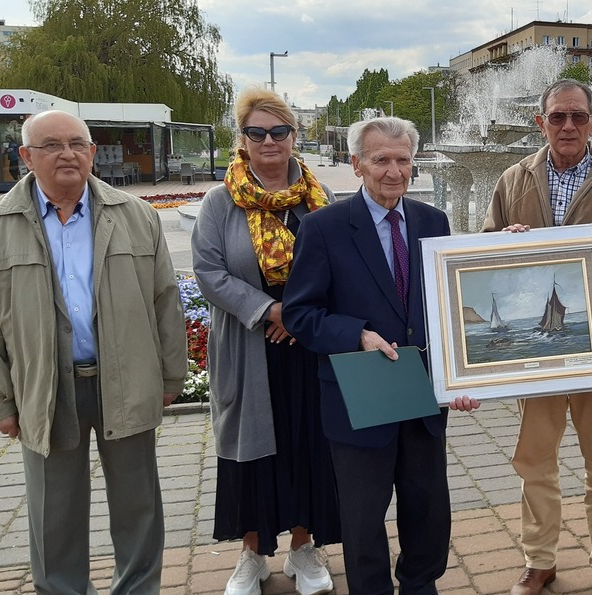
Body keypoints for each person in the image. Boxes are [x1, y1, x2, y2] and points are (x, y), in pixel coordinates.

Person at [0, 110, 187, 594]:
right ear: (25, 156)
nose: (66, 153)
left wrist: (171, 378)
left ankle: (137, 589)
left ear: (92, 152)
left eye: (76, 143)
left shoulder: (137, 216)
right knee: (54, 511)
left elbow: (164, 301)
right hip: (45, 387)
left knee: (139, 507)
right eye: (50, 145)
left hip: (126, 380)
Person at [282, 116, 479, 595]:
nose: (393, 171)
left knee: (427, 506)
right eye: (381, 160)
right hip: (361, 395)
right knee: (364, 516)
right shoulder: (324, 227)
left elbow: (448, 300)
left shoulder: (433, 222)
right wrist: (358, 335)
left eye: (403, 160)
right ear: (356, 165)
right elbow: (299, 314)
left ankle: (419, 584)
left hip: (422, 394)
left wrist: (464, 374)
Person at [481, 79, 592, 595]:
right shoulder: (513, 181)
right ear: (541, 122)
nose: (567, 126)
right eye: (557, 116)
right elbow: (483, 255)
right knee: (534, 462)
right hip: (538, 361)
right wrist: (499, 241)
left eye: (577, 117)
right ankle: (539, 560)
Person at [191, 88, 341, 595]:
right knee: (249, 453)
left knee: (307, 443)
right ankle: (251, 555)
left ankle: (303, 548)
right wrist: (273, 310)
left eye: (279, 131)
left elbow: (341, 267)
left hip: (308, 347)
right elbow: (209, 273)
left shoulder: (320, 198)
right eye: (258, 132)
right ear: (243, 139)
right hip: (249, 347)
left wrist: (301, 318)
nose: (269, 140)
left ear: (294, 137)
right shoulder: (220, 201)